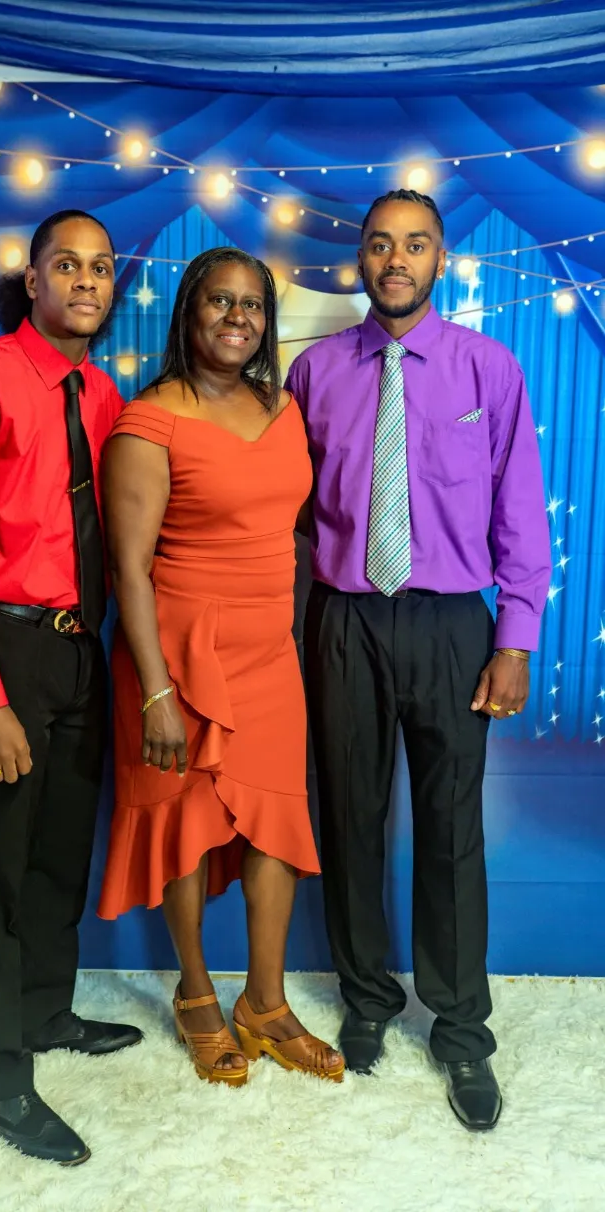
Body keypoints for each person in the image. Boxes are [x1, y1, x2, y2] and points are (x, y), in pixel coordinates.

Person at [288, 189, 552, 1130]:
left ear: (442, 261)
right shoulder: (314, 373)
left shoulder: (490, 368)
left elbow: (520, 510)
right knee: (348, 817)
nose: (396, 259)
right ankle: (366, 1001)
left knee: (449, 830)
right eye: (379, 244)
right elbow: (285, 514)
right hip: (344, 622)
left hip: (451, 624)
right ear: (359, 260)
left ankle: (460, 1029)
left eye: (416, 245)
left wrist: (515, 636)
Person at [0, 208, 142, 1167]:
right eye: (67, 265)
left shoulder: (105, 394)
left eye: (99, 268)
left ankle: (48, 1010)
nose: (86, 282)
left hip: (80, 651)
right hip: (2, 648)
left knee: (59, 852)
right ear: (33, 280)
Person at [98, 247, 343, 1086]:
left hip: (269, 650)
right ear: (188, 313)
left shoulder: (281, 408)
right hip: (179, 655)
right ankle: (197, 994)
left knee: (276, 817)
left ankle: (265, 1003)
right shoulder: (149, 420)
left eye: (252, 305)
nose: (237, 318)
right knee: (188, 824)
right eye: (219, 302)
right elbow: (127, 569)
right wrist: (157, 692)